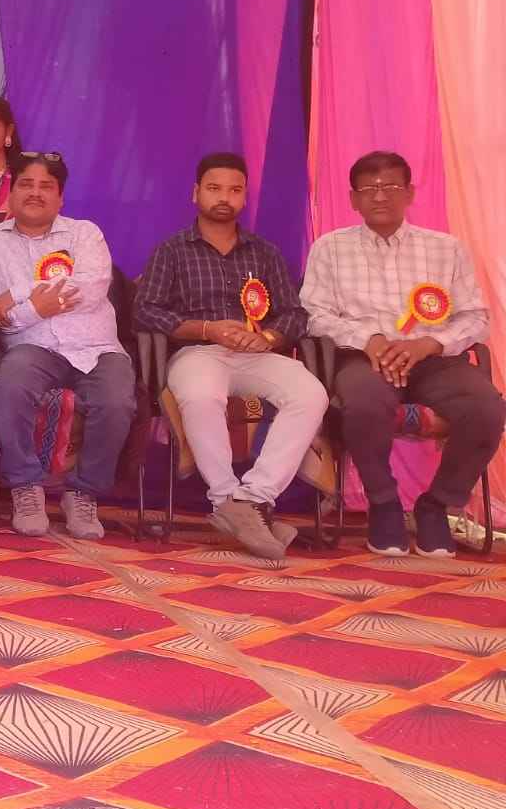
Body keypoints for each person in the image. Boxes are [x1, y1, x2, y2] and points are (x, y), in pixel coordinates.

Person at [302, 150, 504, 557]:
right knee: (362, 404)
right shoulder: (330, 248)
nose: (380, 196)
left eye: (391, 186)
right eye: (369, 189)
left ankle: (436, 506)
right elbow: (314, 316)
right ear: (353, 198)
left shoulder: (446, 248)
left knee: (487, 408)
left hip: (435, 360)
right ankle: (384, 504)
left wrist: (429, 344)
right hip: (366, 359)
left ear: (410, 193)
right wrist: (370, 339)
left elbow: (475, 318)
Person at [135, 152, 327, 559]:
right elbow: (145, 310)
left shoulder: (265, 253)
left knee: (311, 394)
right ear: (196, 193)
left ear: (244, 197)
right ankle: (226, 497)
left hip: (257, 353)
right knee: (202, 396)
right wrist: (207, 329)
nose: (224, 197)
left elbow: (295, 314)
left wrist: (270, 336)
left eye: (235, 190)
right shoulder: (172, 250)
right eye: (214, 188)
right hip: (198, 352)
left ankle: (254, 498)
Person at [0, 152, 135, 539]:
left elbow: (90, 288)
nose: (35, 193)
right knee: (9, 387)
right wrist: (35, 310)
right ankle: (26, 487)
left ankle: (84, 492)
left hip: (96, 346)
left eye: (47, 186)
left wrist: (18, 295)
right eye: (26, 184)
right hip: (32, 346)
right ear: (11, 192)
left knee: (118, 402)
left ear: (61, 198)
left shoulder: (84, 234)